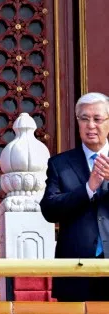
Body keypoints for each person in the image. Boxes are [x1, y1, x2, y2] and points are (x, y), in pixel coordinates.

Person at [41, 92, 109, 301]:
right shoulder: (60, 164)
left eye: (97, 119)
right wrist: (88, 189)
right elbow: (49, 209)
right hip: (76, 267)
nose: (91, 125)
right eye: (84, 119)